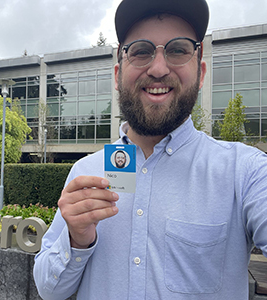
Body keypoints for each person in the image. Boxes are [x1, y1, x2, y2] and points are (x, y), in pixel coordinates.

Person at [33, 0, 267, 299]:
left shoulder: (246, 174)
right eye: (141, 51)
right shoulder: (86, 173)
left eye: (178, 50)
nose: (158, 69)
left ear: (201, 71)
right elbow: (48, 290)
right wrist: (76, 240)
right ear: (118, 74)